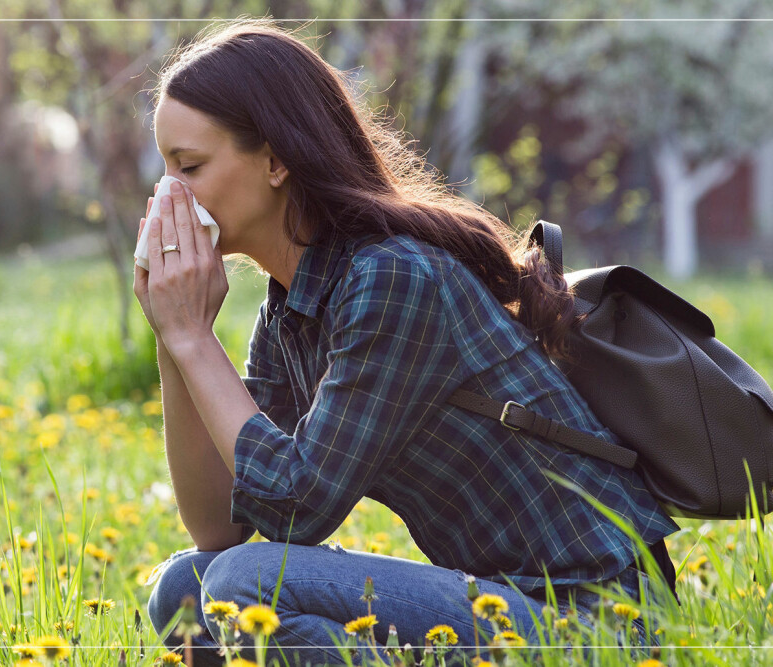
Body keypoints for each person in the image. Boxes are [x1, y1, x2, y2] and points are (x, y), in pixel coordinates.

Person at [133, 18, 680, 667]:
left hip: (597, 622)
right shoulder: (292, 309)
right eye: (165, 167)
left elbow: (295, 510)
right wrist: (174, 337)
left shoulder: (391, 278)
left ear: (276, 159)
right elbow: (219, 526)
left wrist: (195, 337)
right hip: (495, 604)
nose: (168, 193)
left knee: (239, 587)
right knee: (186, 588)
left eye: (189, 166)